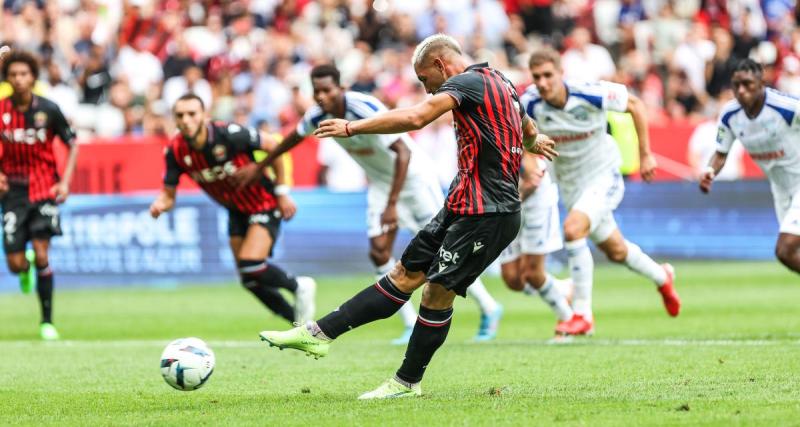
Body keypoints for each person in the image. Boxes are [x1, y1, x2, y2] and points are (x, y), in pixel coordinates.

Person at [241, 34, 557, 399]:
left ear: (440, 65)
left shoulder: (465, 83)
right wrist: (534, 143)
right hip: (461, 204)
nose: (427, 89)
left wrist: (351, 126)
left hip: (489, 211)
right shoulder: (500, 81)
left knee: (436, 293)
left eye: (425, 80)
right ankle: (317, 334)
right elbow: (527, 126)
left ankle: (407, 382)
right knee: (402, 275)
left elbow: (418, 117)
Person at [249, 64, 505, 344]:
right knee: (379, 251)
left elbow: (403, 152)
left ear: (341, 88)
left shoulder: (362, 108)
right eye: (317, 91)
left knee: (445, 252)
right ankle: (408, 323)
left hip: (413, 178)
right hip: (381, 183)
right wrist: (261, 165)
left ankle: (489, 308)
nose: (321, 96)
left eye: (327, 90)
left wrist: (392, 204)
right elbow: (291, 140)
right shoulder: (318, 116)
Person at [523, 49, 681, 336]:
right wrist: (531, 158)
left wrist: (645, 154)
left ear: (561, 73)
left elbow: (635, 104)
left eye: (548, 75)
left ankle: (582, 314)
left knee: (573, 229)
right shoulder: (530, 104)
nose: (543, 83)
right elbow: (517, 134)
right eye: (537, 77)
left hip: (603, 174)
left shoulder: (590, 92)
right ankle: (662, 276)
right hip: (570, 184)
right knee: (616, 250)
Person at [149, 93, 316, 325]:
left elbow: (275, 146)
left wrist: (282, 192)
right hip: (235, 210)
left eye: (191, 114)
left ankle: (299, 285)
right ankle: (298, 325)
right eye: (180, 115)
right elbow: (168, 195)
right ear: (174, 119)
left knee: (251, 264)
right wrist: (160, 205)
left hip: (263, 201)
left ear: (204, 116)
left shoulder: (229, 134)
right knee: (249, 279)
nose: (186, 120)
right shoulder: (175, 151)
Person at [0, 49, 79, 340]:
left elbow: (73, 143)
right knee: (15, 263)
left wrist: (66, 182)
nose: (19, 79)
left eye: (24, 74)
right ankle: (25, 267)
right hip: (12, 193)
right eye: (13, 75)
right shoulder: (1, 110)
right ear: (7, 79)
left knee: (43, 253)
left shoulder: (49, 109)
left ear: (33, 77)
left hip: (45, 188)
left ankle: (47, 322)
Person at [700, 59, 800, 274]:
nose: (741, 91)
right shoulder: (730, 115)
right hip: (781, 190)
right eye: (736, 85)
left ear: (761, 83)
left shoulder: (786, 108)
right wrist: (710, 171)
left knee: (785, 250)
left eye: (748, 84)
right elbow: (720, 154)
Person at [497, 152, 575, 338]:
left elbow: (532, 179)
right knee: (512, 279)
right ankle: (564, 289)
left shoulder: (506, 126)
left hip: (533, 200)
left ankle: (567, 320)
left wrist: (510, 202)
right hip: (507, 202)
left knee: (532, 273)